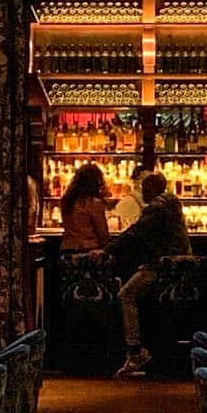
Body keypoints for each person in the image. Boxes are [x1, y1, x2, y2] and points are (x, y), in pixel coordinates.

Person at [112, 170, 190, 378]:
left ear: (154, 188)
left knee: (126, 295)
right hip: (177, 266)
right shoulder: (171, 203)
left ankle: (136, 350)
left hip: (163, 266)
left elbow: (135, 232)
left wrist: (108, 249)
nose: (142, 191)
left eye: (145, 187)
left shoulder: (156, 208)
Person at [58, 162, 113, 253]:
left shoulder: (67, 201)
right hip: (88, 251)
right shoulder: (94, 203)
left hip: (66, 250)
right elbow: (102, 234)